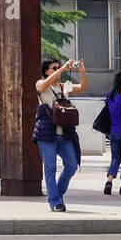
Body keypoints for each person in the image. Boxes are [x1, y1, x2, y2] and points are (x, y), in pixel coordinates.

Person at [34, 57, 88, 212]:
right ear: (46, 71)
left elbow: (83, 87)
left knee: (71, 164)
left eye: (58, 67)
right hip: (46, 132)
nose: (57, 70)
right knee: (50, 168)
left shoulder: (64, 86)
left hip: (64, 132)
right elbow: (43, 85)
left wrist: (82, 73)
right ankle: (55, 201)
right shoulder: (40, 84)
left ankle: (57, 193)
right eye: (53, 68)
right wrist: (63, 68)